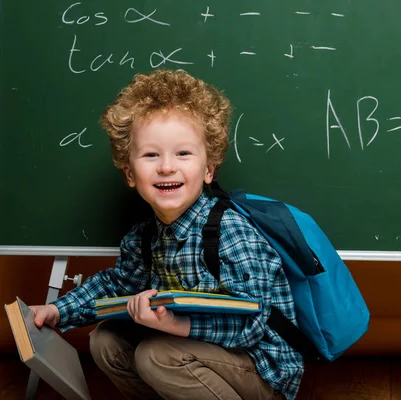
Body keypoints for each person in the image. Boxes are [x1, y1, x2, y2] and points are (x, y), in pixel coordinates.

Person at [30, 69, 304, 400]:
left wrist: (173, 325)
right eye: (151, 155)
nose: (166, 167)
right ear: (130, 174)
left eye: (183, 153)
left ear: (208, 170)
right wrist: (57, 311)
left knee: (157, 354)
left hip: (261, 369)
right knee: (106, 341)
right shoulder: (145, 237)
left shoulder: (230, 232)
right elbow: (115, 285)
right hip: (194, 354)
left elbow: (252, 323)